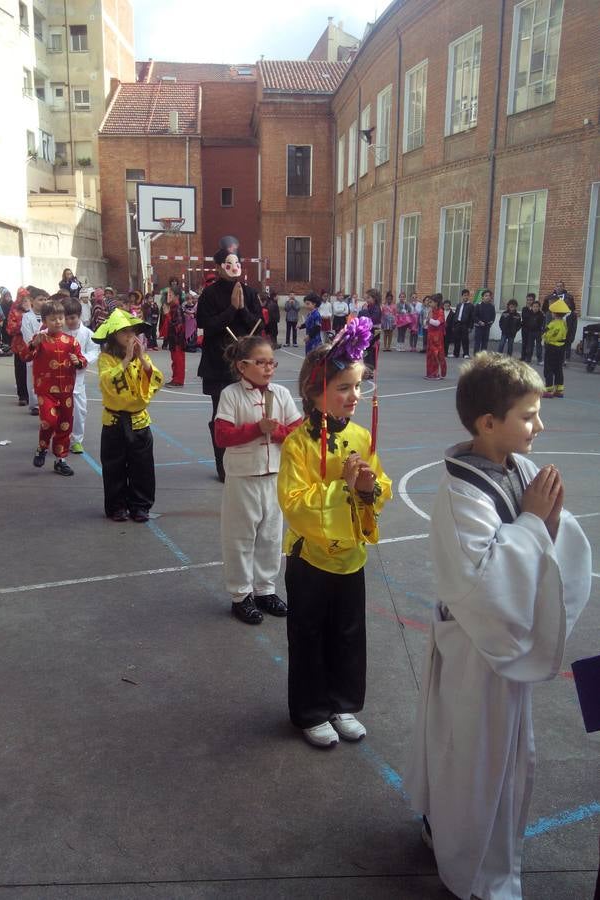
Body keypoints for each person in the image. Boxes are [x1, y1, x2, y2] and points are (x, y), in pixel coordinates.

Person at [404, 353, 591, 900]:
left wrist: (547, 523)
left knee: (483, 750)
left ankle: (447, 826)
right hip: (477, 653)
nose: (540, 426)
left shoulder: (520, 468)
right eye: (529, 415)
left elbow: (551, 537)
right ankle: (479, 870)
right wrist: (534, 523)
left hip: (495, 650)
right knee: (476, 756)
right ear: (489, 423)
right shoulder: (463, 494)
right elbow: (481, 585)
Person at [278, 319, 392, 748]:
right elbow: (294, 502)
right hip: (311, 558)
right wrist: (341, 487)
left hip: (350, 557)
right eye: (344, 387)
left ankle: (341, 702)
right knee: (308, 635)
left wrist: (368, 490)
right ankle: (310, 710)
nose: (354, 396)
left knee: (348, 633)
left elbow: (380, 487)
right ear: (314, 391)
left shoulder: (362, 436)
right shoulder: (298, 444)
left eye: (358, 386)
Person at [215, 335, 303, 624]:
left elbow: (298, 433)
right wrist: (256, 429)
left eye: (272, 362)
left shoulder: (281, 394)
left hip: (275, 476)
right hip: (243, 477)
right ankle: (241, 595)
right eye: (261, 362)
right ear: (242, 366)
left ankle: (265, 589)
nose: (268, 368)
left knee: (271, 536)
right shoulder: (231, 395)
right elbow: (222, 436)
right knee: (240, 537)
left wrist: (275, 432)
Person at [196, 236, 263, 482]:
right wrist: (230, 310)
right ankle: (222, 465)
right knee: (221, 416)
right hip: (217, 366)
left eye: (236, 262)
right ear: (218, 266)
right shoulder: (209, 295)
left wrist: (243, 308)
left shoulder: (250, 292)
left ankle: (246, 461)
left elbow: (259, 323)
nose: (233, 267)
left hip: (245, 365)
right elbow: (206, 325)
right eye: (227, 263)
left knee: (249, 414)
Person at [92, 308, 164, 521]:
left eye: (132, 332)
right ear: (114, 335)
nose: (130, 336)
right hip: (114, 421)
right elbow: (107, 382)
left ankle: (140, 506)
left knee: (142, 467)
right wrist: (125, 360)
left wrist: (141, 359)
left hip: (139, 420)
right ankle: (116, 506)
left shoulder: (142, 357)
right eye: (124, 332)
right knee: (114, 466)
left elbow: (155, 379)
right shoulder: (106, 359)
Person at [25, 297, 87, 476]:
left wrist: (78, 361)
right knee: (48, 421)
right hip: (46, 390)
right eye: (53, 319)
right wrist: (33, 344)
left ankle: (61, 460)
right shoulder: (40, 339)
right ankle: (42, 448)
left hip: (66, 391)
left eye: (61, 318)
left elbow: (82, 361)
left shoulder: (71, 341)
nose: (58, 322)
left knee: (65, 425)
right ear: (44, 321)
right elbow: (26, 356)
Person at [63, 298, 100, 454]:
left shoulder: (87, 334)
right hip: (60, 379)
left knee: (79, 412)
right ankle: (62, 439)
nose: (69, 321)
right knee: (61, 413)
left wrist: (82, 360)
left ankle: (77, 440)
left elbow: (94, 351)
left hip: (78, 380)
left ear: (79, 316)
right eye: (66, 318)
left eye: (72, 318)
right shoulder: (58, 331)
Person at [21, 290, 46, 415]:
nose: (43, 302)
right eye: (40, 299)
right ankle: (35, 404)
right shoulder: (26, 317)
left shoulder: (48, 316)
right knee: (33, 378)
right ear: (32, 301)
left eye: (45, 299)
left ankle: (46, 402)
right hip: (33, 351)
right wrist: (35, 345)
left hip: (47, 352)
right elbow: (27, 336)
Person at [6, 289, 31, 406]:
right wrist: (23, 324)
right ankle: (23, 396)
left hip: (32, 345)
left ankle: (33, 395)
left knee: (32, 371)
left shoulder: (34, 311)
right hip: (19, 346)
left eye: (28, 299)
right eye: (24, 299)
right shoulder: (14, 311)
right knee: (20, 371)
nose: (26, 302)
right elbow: (10, 329)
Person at [542, 299, 568, 398]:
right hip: (561, 348)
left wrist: (544, 337)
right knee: (558, 368)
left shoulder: (552, 324)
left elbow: (547, 334)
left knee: (548, 368)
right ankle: (559, 390)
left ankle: (548, 389)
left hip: (551, 347)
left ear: (555, 313)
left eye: (552, 312)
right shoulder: (564, 323)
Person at [543, 281, 576, 361]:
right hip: (552, 319)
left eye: (560, 286)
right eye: (557, 286)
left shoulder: (569, 297)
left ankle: (564, 358)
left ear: (563, 287)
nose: (559, 287)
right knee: (551, 335)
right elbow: (544, 309)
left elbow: (572, 308)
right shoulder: (549, 297)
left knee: (564, 337)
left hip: (565, 319)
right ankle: (548, 356)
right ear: (555, 287)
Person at [166, 288, 186, 386]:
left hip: (177, 339)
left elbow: (178, 326)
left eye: (171, 295)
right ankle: (176, 378)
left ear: (177, 297)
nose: (169, 296)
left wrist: (167, 315)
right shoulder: (174, 307)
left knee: (178, 360)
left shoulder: (177, 308)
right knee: (175, 360)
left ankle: (178, 380)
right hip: (175, 339)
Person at [424, 294, 446, 379]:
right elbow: (426, 322)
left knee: (437, 354)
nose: (429, 304)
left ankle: (437, 373)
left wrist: (429, 320)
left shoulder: (440, 311)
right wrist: (426, 321)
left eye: (431, 302)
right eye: (429, 302)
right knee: (430, 354)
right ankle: (430, 373)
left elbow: (437, 323)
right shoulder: (430, 311)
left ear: (436, 303)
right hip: (430, 335)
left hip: (437, 336)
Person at [453, 288, 474, 358]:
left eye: (467, 295)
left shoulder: (471, 306)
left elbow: (472, 317)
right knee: (456, 339)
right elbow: (456, 314)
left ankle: (466, 354)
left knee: (465, 340)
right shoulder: (459, 305)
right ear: (462, 296)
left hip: (465, 325)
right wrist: (454, 324)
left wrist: (470, 327)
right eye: (464, 295)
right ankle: (456, 353)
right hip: (457, 324)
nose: (466, 297)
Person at [473, 289, 495, 354]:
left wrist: (491, 322)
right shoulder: (478, 305)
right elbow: (474, 316)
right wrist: (479, 322)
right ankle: (476, 357)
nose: (488, 297)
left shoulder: (491, 306)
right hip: (479, 327)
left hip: (487, 328)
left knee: (485, 344)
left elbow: (493, 316)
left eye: (489, 296)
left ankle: (482, 358)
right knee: (477, 343)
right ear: (482, 297)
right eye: (486, 296)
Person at [523, 298, 544, 365]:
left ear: (539, 307)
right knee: (530, 346)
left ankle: (539, 360)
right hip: (530, 332)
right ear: (531, 307)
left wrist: (542, 331)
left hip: (538, 332)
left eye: (537, 307)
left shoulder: (541, 315)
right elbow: (526, 321)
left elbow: (542, 324)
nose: (535, 308)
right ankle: (528, 359)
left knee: (538, 346)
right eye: (534, 306)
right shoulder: (529, 314)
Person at [519, 293, 535, 360]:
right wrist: (530, 311)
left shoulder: (535, 309)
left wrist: (531, 310)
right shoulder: (524, 308)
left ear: (533, 300)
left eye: (531, 300)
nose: (529, 301)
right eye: (528, 300)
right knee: (524, 343)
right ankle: (523, 357)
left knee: (530, 344)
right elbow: (525, 317)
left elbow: (534, 318)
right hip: (525, 328)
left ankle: (529, 357)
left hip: (532, 329)